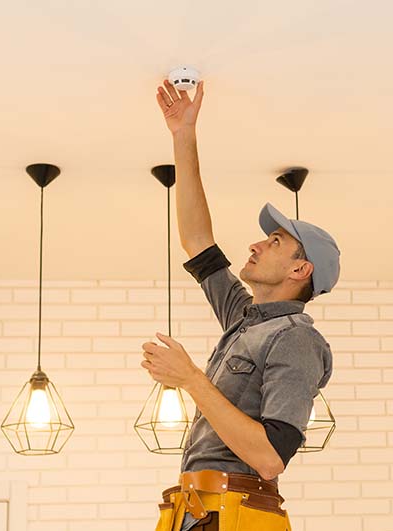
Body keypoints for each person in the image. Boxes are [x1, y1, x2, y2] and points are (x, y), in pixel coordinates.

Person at [140, 78, 340, 531]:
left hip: (230, 515)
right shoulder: (243, 318)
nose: (255, 244)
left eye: (274, 241)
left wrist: (190, 377)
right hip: (195, 512)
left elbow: (270, 459)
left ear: (299, 271)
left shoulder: (296, 340)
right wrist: (183, 136)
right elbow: (197, 242)